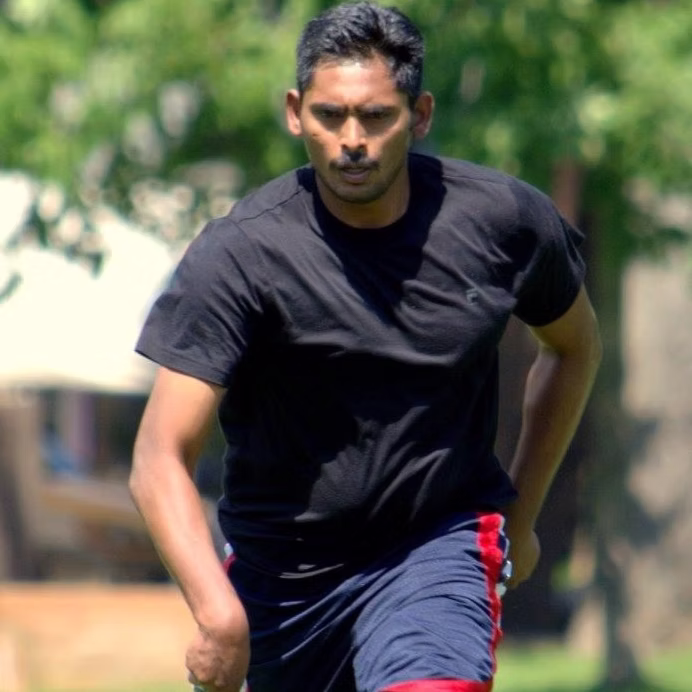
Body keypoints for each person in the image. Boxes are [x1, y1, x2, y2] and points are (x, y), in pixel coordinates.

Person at [130, 2, 602, 691]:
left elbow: (574, 347)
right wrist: (219, 616)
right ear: (296, 113)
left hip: (435, 547)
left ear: (420, 115)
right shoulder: (242, 255)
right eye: (330, 115)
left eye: (376, 117)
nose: (352, 140)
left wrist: (520, 516)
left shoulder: (502, 222)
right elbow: (159, 455)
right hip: (283, 580)